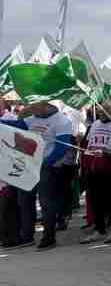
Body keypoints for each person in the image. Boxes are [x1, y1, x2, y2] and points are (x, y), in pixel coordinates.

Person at [23, 101, 77, 250]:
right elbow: (16, 127)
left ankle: (49, 237)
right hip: (30, 165)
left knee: (46, 203)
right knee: (25, 200)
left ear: (46, 106)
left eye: (34, 107)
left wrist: (47, 162)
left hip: (47, 167)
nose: (31, 110)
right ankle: (26, 236)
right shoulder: (33, 118)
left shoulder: (62, 121)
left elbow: (62, 146)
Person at [79, 105, 111, 245]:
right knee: (95, 199)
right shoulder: (94, 124)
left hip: (110, 166)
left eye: (105, 111)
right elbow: (88, 143)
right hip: (93, 166)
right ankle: (99, 229)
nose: (101, 114)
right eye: (100, 111)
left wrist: (107, 152)